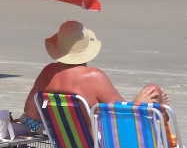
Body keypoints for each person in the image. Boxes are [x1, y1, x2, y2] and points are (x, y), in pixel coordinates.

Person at [21, 21, 170, 131]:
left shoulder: (48, 73)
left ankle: (161, 115)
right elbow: (124, 117)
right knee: (153, 89)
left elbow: (30, 112)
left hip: (65, 146)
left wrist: (60, 127)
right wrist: (136, 103)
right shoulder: (93, 77)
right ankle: (163, 118)